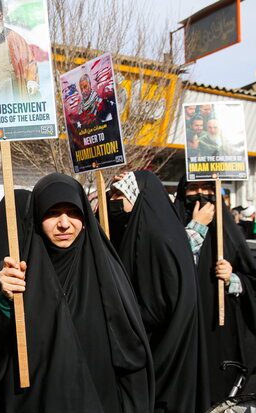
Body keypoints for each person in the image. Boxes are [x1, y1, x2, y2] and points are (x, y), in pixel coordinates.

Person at [0, 173, 153, 412]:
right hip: (35, 400)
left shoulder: (106, 271)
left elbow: (131, 350)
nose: (64, 223)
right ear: (37, 217)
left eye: (73, 212)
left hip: (99, 399)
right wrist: (5, 300)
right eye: (52, 213)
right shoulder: (16, 271)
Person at [107, 171, 210, 412]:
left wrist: (118, 319)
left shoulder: (157, 238)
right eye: (112, 194)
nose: (113, 201)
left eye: (119, 194)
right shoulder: (138, 231)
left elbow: (158, 305)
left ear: (138, 196)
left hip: (161, 346)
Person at [174, 177, 256, 404]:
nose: (201, 193)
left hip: (219, 332)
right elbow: (169, 268)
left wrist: (232, 278)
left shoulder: (230, 233)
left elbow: (253, 285)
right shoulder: (171, 229)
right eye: (193, 188)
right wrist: (197, 226)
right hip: (182, 331)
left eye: (207, 188)